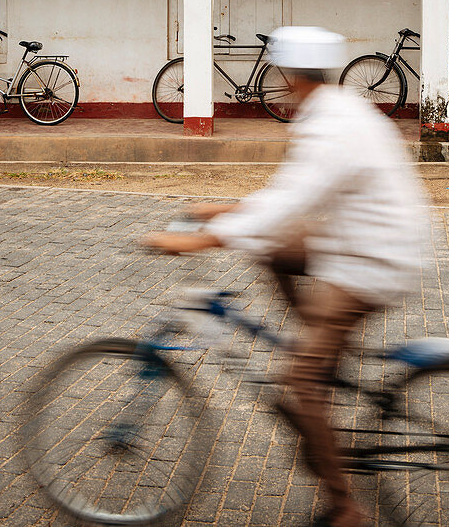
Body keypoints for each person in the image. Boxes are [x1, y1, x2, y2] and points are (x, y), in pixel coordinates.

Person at [144, 26, 430, 527]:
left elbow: (291, 200)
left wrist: (200, 239)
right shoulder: (334, 109)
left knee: (298, 383)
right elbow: (288, 196)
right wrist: (226, 209)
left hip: (375, 257)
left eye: (278, 76)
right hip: (355, 237)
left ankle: (345, 508)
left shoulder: (330, 126)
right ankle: (316, 344)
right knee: (276, 247)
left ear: (289, 76)